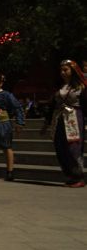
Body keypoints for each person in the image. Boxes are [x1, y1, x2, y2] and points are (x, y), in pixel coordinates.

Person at [42, 60, 86, 188]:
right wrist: (47, 123)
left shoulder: (81, 87)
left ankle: (78, 176)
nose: (63, 73)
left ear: (73, 70)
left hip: (74, 118)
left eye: (66, 70)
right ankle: (70, 175)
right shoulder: (59, 87)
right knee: (60, 146)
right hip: (59, 118)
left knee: (73, 147)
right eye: (61, 70)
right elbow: (52, 106)